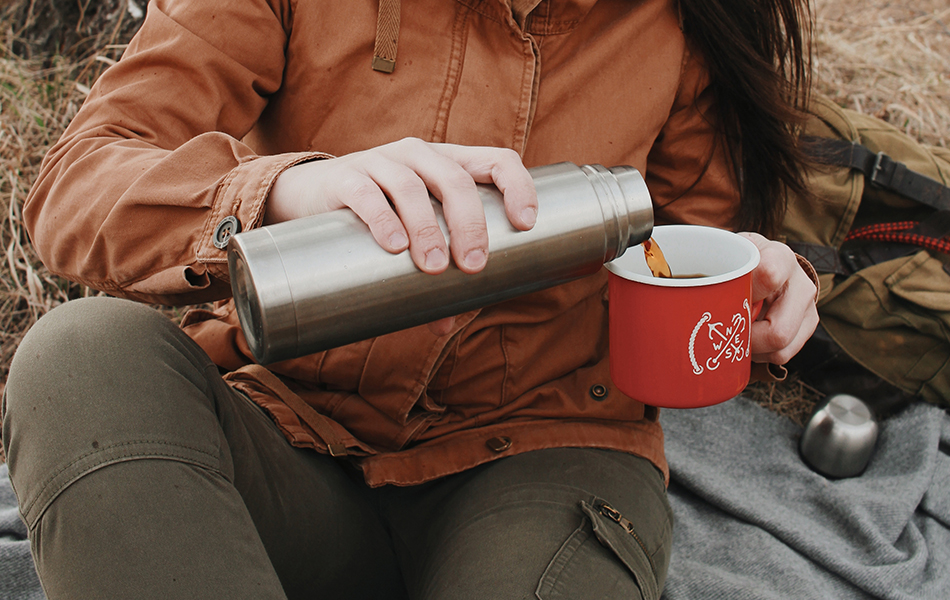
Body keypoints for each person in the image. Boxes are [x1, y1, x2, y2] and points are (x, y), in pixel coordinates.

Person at [2, 0, 819, 598]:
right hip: (284, 439)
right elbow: (76, 186)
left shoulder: (679, 27)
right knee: (77, 358)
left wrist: (758, 279)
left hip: (542, 463)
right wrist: (280, 191)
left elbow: (679, 245)